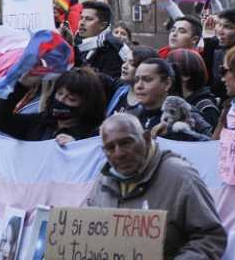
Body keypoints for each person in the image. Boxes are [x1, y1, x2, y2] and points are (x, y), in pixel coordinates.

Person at [85, 114, 227, 258]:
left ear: (146, 139)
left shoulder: (180, 176)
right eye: (110, 147)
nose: (119, 153)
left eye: (126, 143)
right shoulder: (103, 181)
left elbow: (211, 238)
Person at [0, 67, 105, 145]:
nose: (61, 100)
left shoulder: (91, 138)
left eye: (71, 99)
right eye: (59, 93)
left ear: (86, 105)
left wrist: (76, 147)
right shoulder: (40, 123)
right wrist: (21, 86)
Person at [132, 59, 212, 138]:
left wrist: (173, 132)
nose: (139, 86)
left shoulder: (186, 114)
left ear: (167, 83)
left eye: (147, 80)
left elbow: (209, 142)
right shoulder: (134, 115)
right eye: (136, 80)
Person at [167, 48, 220, 128]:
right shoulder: (175, 102)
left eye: (169, 70)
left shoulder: (206, 109)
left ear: (186, 75)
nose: (165, 76)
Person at [75, 1, 124, 78]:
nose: (81, 23)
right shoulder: (76, 43)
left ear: (102, 25)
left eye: (88, 19)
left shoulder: (110, 48)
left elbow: (107, 82)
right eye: (80, 18)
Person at [106, 46, 159, 117]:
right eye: (125, 61)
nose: (124, 66)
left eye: (132, 63)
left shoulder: (150, 104)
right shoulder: (121, 91)